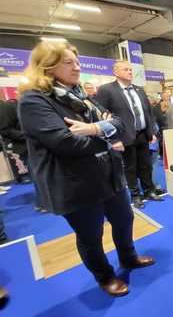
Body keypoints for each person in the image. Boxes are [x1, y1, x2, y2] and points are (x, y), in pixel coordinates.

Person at [18, 41, 154, 297]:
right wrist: (107, 136)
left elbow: (122, 125)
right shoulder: (33, 101)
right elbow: (65, 142)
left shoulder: (81, 97)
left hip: (109, 175)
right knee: (91, 235)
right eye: (68, 62)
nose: (77, 67)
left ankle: (128, 257)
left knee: (124, 219)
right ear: (47, 66)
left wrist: (94, 129)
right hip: (75, 183)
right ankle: (105, 276)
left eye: (78, 62)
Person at [97, 61, 164, 209]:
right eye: (126, 69)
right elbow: (102, 116)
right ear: (116, 72)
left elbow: (149, 112)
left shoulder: (139, 90)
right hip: (124, 136)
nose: (130, 72)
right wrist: (113, 139)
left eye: (130, 69)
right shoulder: (106, 90)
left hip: (142, 135)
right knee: (130, 167)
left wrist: (151, 131)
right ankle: (135, 195)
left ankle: (149, 190)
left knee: (146, 165)